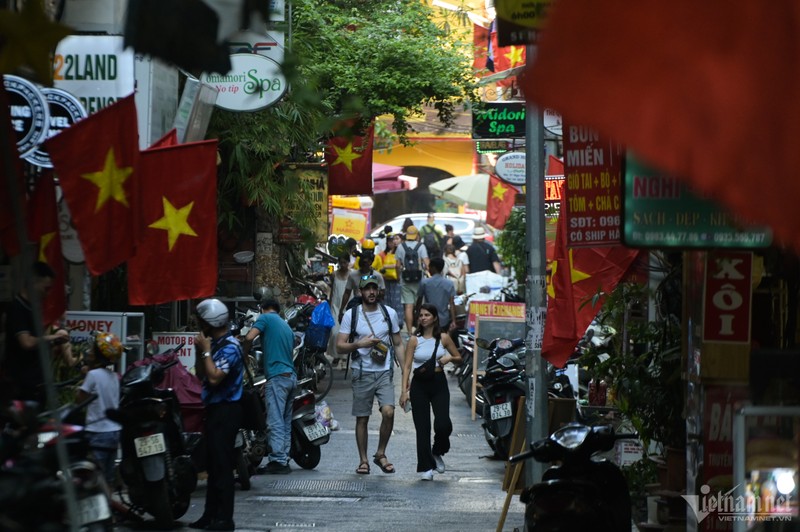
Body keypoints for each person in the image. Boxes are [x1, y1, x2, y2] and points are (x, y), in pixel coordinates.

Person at [336, 275, 403, 475]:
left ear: (379, 291)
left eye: (374, 288)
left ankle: (380, 453)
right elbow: (339, 347)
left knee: (389, 412)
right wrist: (358, 344)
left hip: (384, 372)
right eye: (367, 289)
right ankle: (363, 460)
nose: (371, 292)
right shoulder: (352, 315)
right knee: (362, 418)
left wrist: (407, 370)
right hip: (362, 371)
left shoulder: (388, 313)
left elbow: (398, 343)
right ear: (360, 292)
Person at [191, 298, 244, 531]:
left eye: (201, 322)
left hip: (227, 411)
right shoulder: (216, 344)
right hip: (214, 410)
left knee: (222, 466)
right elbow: (201, 375)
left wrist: (205, 351)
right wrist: (199, 352)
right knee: (213, 465)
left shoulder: (230, 347)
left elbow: (214, 377)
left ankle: (225, 519)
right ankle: (209, 515)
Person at [399, 303, 462, 480]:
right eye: (421, 315)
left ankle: (437, 451)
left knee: (443, 424)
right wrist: (404, 391)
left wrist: (449, 357)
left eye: (427, 315)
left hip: (438, 382)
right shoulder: (414, 340)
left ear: (434, 318)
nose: (423, 318)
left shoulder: (444, 338)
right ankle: (425, 466)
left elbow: (459, 358)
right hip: (419, 385)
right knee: (422, 427)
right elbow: (407, 366)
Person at [1, 261, 69, 402]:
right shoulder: (17, 308)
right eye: (46, 288)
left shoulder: (33, 309)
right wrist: (52, 337)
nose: (47, 293)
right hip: (21, 383)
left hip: (36, 381)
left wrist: (54, 341)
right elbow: (26, 342)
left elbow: (37, 341)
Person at [243, 299, 296, 474]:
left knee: (274, 420)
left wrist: (243, 352)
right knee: (285, 420)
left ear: (262, 309)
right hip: (290, 377)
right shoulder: (285, 325)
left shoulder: (265, 319)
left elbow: (250, 337)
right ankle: (283, 457)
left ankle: (278, 461)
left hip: (278, 377)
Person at [76, 332, 122, 487]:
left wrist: (82, 380)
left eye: (92, 350)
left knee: (94, 478)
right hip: (114, 432)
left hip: (97, 432)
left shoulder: (93, 375)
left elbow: (80, 400)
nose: (89, 352)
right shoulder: (114, 376)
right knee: (107, 479)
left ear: (98, 355)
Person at [394, 225, 429, 333]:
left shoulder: (401, 247)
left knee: (408, 307)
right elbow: (427, 264)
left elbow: (397, 265)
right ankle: (420, 330)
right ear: (417, 235)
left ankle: (410, 332)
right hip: (419, 280)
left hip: (405, 279)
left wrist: (398, 277)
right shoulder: (421, 246)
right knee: (420, 307)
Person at [338, 248, 385, 323]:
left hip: (373, 308)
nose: (364, 263)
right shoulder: (353, 275)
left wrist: (373, 294)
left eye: (366, 261)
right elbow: (347, 293)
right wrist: (341, 310)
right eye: (362, 261)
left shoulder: (377, 276)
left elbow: (382, 293)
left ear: (370, 262)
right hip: (358, 308)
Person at [415, 257, 457, 332]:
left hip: (427, 320)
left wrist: (417, 315)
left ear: (433, 268)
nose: (428, 269)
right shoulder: (449, 284)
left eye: (430, 267)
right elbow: (452, 304)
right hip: (444, 320)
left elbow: (419, 301)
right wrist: (454, 320)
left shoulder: (425, 283)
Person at [328, 255, 352, 370]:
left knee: (345, 333)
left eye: (345, 262)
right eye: (341, 263)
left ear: (348, 262)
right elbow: (332, 290)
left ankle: (344, 358)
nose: (343, 265)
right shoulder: (334, 275)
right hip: (335, 305)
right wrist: (329, 304)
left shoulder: (352, 275)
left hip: (348, 306)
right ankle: (336, 354)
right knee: (334, 332)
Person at [380, 232, 404, 331]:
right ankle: (388, 320)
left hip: (397, 280)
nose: (395, 241)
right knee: (388, 300)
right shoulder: (389, 252)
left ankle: (398, 322)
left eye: (397, 239)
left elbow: (400, 265)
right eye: (394, 239)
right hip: (387, 280)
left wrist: (387, 266)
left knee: (397, 302)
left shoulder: (402, 251)